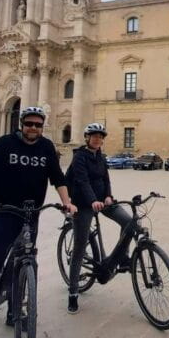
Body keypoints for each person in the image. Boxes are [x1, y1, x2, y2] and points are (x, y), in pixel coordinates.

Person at [0, 106, 77, 338]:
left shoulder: (47, 148)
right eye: (29, 124)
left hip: (30, 216)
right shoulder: (3, 145)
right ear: (21, 123)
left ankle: (14, 312)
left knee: (24, 264)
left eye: (38, 125)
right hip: (1, 214)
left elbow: (58, 177)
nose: (33, 128)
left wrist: (67, 202)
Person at [65, 122, 135, 314]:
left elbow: (105, 179)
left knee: (129, 223)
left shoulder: (101, 157)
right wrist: (92, 200)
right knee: (79, 248)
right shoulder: (79, 157)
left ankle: (123, 258)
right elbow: (82, 181)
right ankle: (72, 293)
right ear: (87, 138)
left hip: (102, 201)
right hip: (83, 203)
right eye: (94, 136)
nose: (98, 139)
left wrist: (108, 196)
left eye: (100, 137)